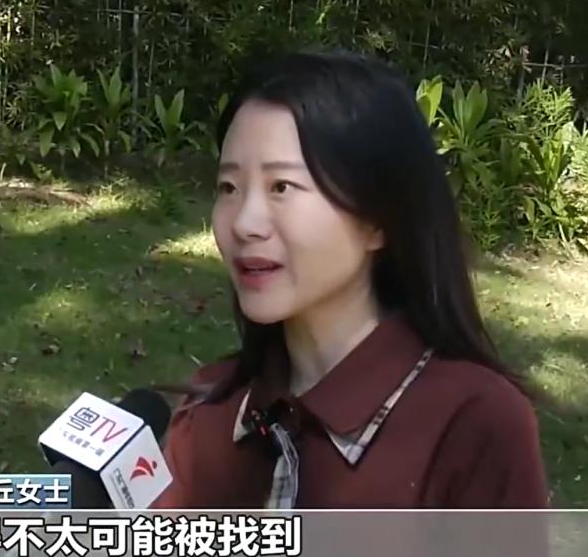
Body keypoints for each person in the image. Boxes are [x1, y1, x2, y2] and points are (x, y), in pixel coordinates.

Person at [152, 50, 549, 509]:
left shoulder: (475, 424)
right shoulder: (211, 409)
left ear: (378, 219)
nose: (244, 222)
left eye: (282, 187)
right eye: (229, 188)